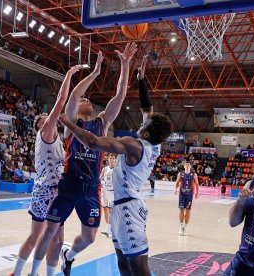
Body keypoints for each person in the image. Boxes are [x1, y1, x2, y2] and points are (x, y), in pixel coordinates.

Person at [57, 54, 172, 276]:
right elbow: (147, 110)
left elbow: (94, 142)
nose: (143, 122)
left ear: (146, 131)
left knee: (139, 268)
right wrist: (139, 79)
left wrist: (69, 124)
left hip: (126, 205)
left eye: (144, 124)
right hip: (118, 204)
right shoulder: (154, 146)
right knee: (122, 261)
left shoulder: (133, 145)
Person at [30, 43, 138, 276]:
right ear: (77, 107)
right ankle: (33, 272)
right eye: (83, 100)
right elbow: (75, 93)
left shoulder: (102, 122)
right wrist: (95, 72)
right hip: (68, 184)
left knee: (89, 238)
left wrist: (125, 64)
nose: (86, 99)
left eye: (89, 99)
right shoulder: (71, 124)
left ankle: (68, 256)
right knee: (48, 232)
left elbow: (120, 94)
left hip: (91, 189)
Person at [10, 65, 82, 276]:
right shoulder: (46, 131)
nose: (48, 117)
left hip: (54, 190)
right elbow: (61, 101)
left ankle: (45, 273)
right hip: (46, 191)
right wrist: (69, 75)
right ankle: (19, 272)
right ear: (41, 124)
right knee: (40, 237)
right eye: (44, 117)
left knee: (57, 239)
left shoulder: (54, 139)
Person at [174, 162, 199, 236]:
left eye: (189, 165)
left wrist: (197, 193)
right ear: (184, 166)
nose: (187, 166)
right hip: (182, 194)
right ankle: (181, 227)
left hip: (190, 195)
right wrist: (175, 189)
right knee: (181, 209)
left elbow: (197, 184)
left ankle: (186, 227)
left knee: (188, 210)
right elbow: (177, 182)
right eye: (186, 164)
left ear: (190, 167)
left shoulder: (194, 174)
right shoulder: (180, 174)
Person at [100, 154, 116, 237]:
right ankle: (108, 227)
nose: (112, 159)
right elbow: (100, 178)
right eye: (110, 158)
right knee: (105, 209)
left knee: (111, 211)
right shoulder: (105, 169)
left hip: (112, 192)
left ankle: (110, 229)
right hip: (105, 191)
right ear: (108, 159)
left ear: (115, 160)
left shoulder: (117, 169)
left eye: (113, 158)